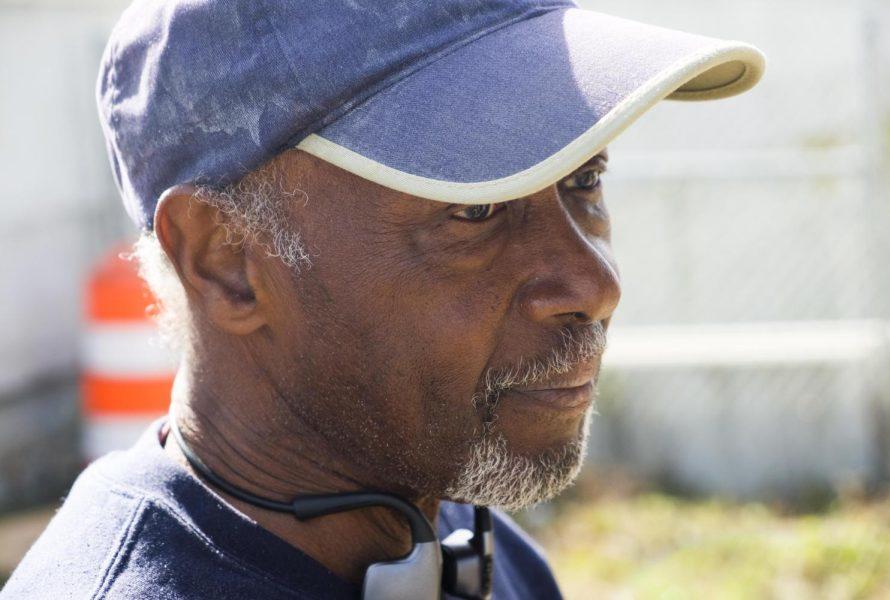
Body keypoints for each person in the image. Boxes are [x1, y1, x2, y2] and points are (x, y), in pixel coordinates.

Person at [2, 1, 764, 598]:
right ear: (225, 261)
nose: (596, 286)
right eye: (475, 209)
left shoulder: (469, 548)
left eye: (584, 179)